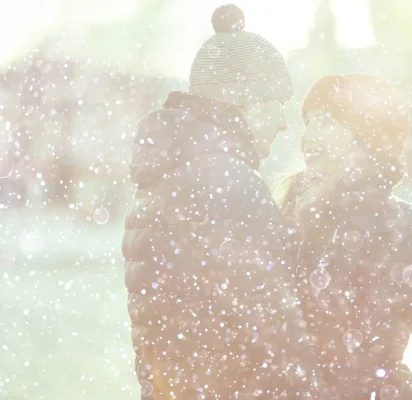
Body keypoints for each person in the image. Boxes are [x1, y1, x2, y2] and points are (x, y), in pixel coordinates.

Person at [122, 4, 317, 399]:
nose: (283, 123)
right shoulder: (227, 183)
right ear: (247, 105)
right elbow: (273, 328)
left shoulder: (170, 175)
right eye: (277, 104)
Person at [276, 74, 412, 399]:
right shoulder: (289, 208)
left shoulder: (395, 224)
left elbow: (378, 347)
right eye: (309, 123)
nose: (310, 136)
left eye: (328, 122)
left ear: (365, 137)